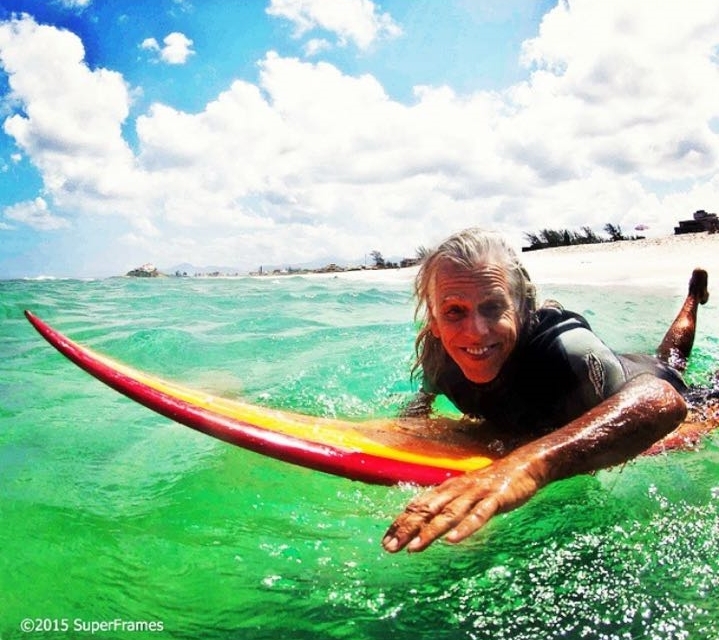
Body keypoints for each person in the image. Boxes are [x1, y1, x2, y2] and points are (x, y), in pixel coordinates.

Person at [382, 227, 709, 554]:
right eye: (455, 311)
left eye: (493, 306)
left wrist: (524, 468)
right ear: (435, 321)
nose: (476, 332)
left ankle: (693, 298)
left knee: (672, 365)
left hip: (652, 383)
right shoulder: (439, 355)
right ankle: (694, 295)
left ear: (522, 309)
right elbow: (421, 403)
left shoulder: (567, 353)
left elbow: (662, 400)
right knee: (671, 356)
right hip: (610, 378)